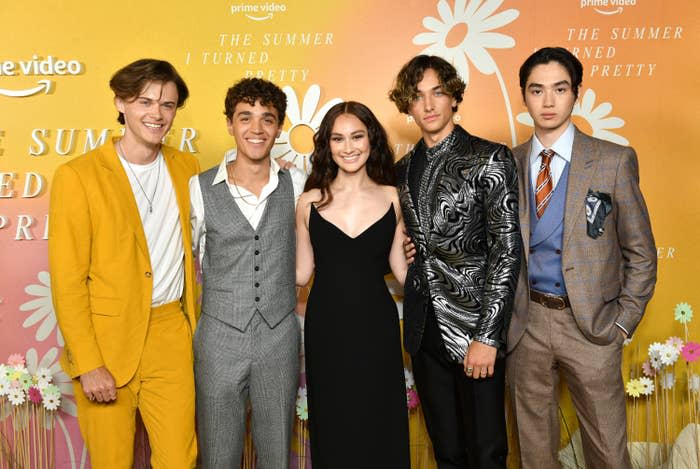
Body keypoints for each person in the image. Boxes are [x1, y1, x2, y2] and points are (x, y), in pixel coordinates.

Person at [506, 47, 657, 468]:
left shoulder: (613, 160)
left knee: (608, 452)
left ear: (576, 93)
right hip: (526, 324)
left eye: (560, 89)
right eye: (537, 90)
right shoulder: (507, 163)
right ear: (524, 96)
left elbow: (642, 253)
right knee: (534, 455)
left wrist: (622, 323)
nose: (548, 101)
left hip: (591, 325)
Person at [49, 59, 199, 468]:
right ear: (121, 102)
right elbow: (67, 281)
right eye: (145, 101)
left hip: (170, 333)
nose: (157, 114)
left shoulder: (187, 169)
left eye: (167, 105)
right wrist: (89, 362)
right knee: (112, 460)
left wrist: (281, 173)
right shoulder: (77, 176)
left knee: (180, 460)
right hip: (106, 340)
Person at [390, 55, 521, 468]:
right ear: (407, 105)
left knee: (487, 453)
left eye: (438, 93)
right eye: (417, 96)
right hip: (423, 329)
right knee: (447, 452)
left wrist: (488, 336)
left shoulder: (490, 158)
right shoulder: (401, 170)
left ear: (453, 98)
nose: (428, 105)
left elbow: (507, 250)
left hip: (474, 327)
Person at [189, 77, 306, 468]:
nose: (256, 129)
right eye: (245, 118)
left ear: (279, 127)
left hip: (279, 334)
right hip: (219, 336)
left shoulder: (299, 182)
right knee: (218, 453)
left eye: (267, 119)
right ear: (229, 124)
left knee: (276, 454)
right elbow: (182, 258)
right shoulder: (198, 187)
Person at [295, 101, 410, 468]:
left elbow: (402, 273)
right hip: (326, 327)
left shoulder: (393, 197)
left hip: (377, 326)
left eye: (357, 136)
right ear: (327, 145)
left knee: (381, 422)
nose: (348, 147)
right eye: (338, 138)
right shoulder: (308, 202)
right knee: (334, 424)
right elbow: (300, 273)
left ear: (371, 140)